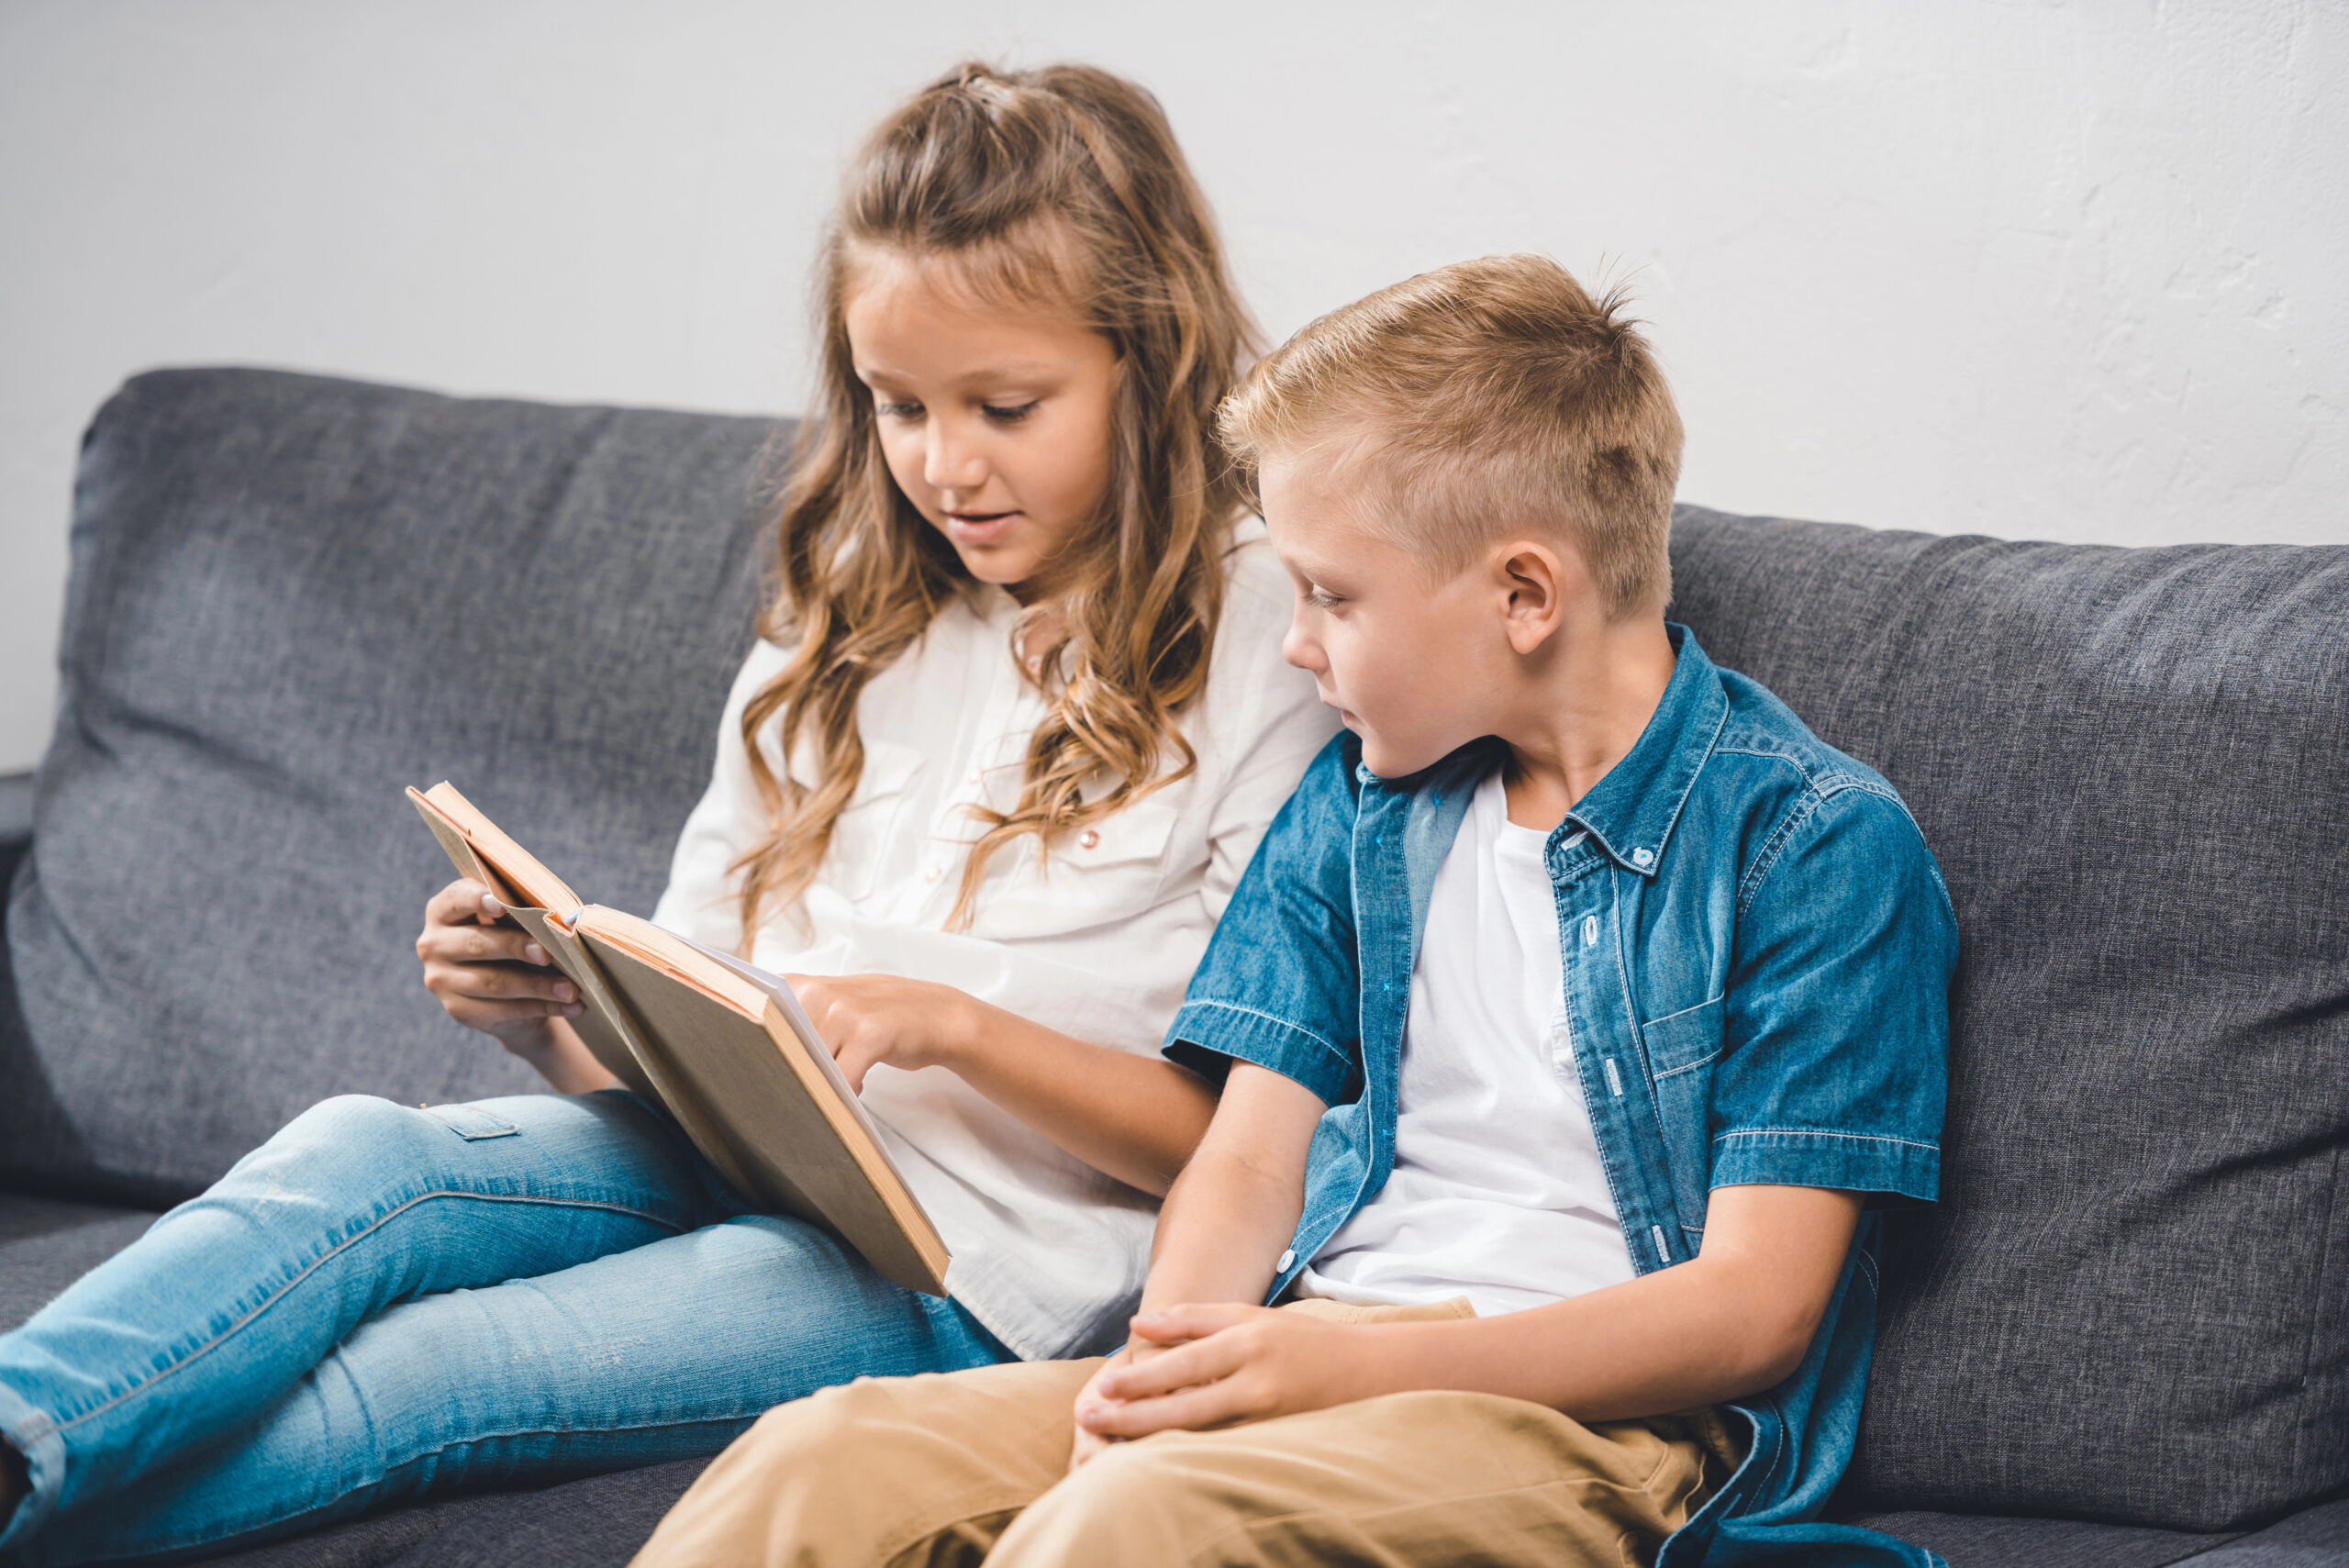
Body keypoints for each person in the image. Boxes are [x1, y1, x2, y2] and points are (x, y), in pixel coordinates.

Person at [0, 62, 1333, 1564]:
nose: (944, 464)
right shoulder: (848, 615)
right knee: (365, 1151)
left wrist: (950, 1023)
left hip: (969, 1271)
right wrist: (542, 1007)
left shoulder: (1277, 635)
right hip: (729, 1160)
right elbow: (691, 1036)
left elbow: (1247, 1147)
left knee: (433, 1373)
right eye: (898, 405)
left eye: (1005, 406)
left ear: (1147, 363)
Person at [634, 254, 1960, 1568]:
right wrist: (1162, 1371)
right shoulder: (1366, 805)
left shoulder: (1814, 847)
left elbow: (1754, 1312)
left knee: (1134, 1525)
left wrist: (1344, 1374)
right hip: (1307, 1331)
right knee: (821, 1455)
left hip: (1601, 1422)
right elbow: (1252, 1156)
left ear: (1524, 594)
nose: (1294, 642)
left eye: (1329, 594)